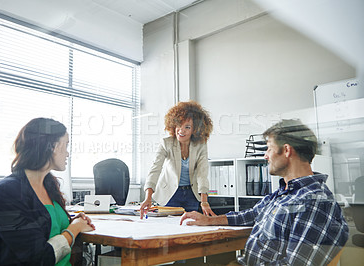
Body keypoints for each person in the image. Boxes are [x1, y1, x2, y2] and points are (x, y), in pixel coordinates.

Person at [180, 119, 349, 265]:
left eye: (268, 148)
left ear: (287, 150)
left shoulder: (313, 202)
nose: (265, 156)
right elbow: (251, 215)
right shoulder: (285, 193)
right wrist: (209, 220)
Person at [0, 118, 95, 266]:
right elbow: (38, 258)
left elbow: (48, 229)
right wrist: (74, 228)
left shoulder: (49, 185)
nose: (67, 154)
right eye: (66, 145)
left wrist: (72, 222)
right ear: (52, 146)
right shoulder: (6, 192)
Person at [140, 101, 215, 218]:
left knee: (190, 227)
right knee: (168, 229)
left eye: (187, 127)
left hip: (192, 194)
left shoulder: (200, 145)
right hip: (170, 194)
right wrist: (148, 197)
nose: (181, 130)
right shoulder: (166, 143)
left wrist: (204, 201)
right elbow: (155, 169)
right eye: (179, 125)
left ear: (195, 130)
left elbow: (202, 173)